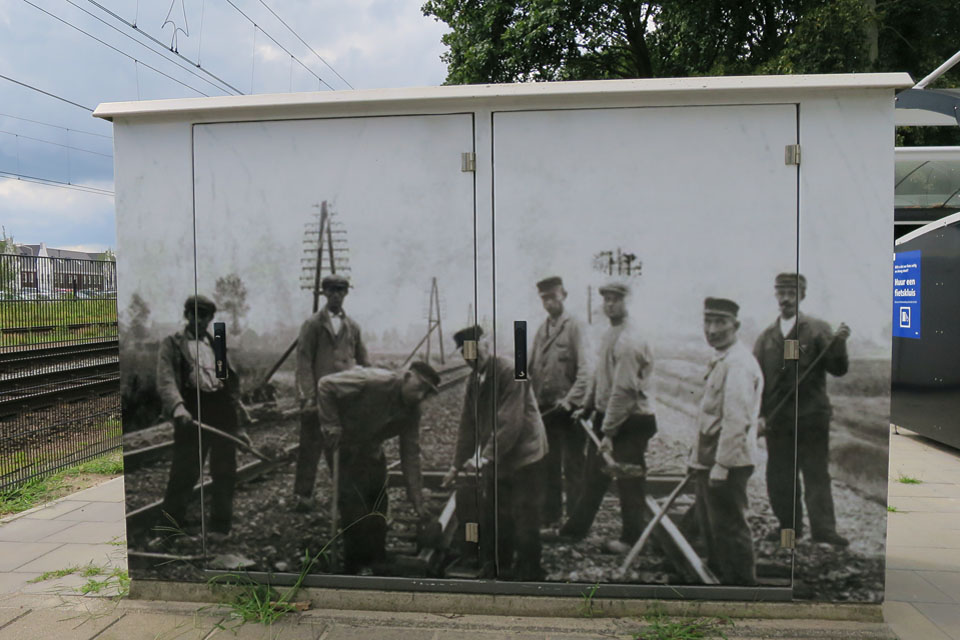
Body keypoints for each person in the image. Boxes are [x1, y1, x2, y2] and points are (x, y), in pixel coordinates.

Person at [556, 281, 657, 554]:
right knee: (594, 477)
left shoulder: (630, 340)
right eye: (607, 299)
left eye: (616, 299)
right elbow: (602, 378)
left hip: (631, 422)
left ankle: (632, 540)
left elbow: (623, 392)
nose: (610, 304)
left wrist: (609, 434)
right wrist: (587, 407)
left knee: (629, 482)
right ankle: (573, 531)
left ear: (628, 302)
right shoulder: (610, 333)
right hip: (611, 418)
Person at [443, 325, 548, 580]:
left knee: (525, 516)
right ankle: (501, 567)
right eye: (466, 353)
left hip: (524, 455)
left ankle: (531, 573)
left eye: (475, 349)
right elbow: (468, 426)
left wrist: (483, 457)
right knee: (499, 514)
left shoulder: (512, 371)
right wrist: (457, 465)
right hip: (500, 456)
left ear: (487, 345)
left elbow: (509, 422)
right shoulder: (473, 380)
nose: (471, 357)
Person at [753, 273, 851, 546]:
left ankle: (824, 533)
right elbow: (756, 381)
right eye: (781, 293)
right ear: (775, 296)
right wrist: (760, 415)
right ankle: (789, 532)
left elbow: (838, 369)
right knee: (781, 478)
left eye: (792, 293)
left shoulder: (818, 329)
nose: (785, 299)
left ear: (802, 296)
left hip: (811, 418)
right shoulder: (765, 339)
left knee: (816, 474)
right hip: (778, 421)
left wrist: (839, 343)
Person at [316, 361, 440, 574]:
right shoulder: (371, 380)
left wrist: (417, 500)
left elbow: (410, 454)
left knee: (378, 501)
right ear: (407, 376)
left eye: (426, 393)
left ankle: (376, 559)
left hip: (371, 449)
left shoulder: (412, 411)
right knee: (354, 506)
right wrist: (331, 425)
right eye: (419, 388)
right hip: (343, 446)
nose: (420, 396)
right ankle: (353, 567)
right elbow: (326, 385)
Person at [155, 294, 248, 542]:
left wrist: (237, 421)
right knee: (184, 473)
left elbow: (227, 384)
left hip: (219, 409)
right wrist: (178, 407)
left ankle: (220, 528)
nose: (199, 320)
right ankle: (170, 531)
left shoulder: (216, 343)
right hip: (191, 410)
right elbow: (166, 380)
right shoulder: (173, 344)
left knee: (225, 471)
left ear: (210, 319)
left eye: (204, 315)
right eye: (194, 314)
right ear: (187, 315)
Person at [688, 297, 762, 585]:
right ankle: (719, 580)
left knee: (730, 528)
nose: (712, 329)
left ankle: (743, 588)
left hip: (728, 461)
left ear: (736, 326)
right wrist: (697, 458)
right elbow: (710, 416)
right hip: (711, 456)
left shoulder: (739, 364)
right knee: (712, 527)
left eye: (720, 322)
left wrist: (722, 465)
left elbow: (736, 421)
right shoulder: (722, 359)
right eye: (708, 321)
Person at [293, 274, 370, 511]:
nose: (336, 295)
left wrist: (367, 388)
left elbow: (363, 361)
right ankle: (303, 496)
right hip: (317, 398)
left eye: (341, 290)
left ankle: (344, 493)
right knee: (310, 446)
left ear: (346, 294)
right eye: (332, 290)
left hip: (344, 398)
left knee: (343, 446)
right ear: (324, 293)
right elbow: (304, 361)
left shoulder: (353, 327)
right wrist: (307, 395)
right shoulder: (313, 324)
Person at [529, 276, 591, 526]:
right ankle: (551, 515)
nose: (549, 302)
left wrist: (570, 402)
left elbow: (587, 371)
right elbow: (527, 368)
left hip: (570, 410)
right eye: (544, 298)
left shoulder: (576, 326)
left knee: (574, 466)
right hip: (546, 411)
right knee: (548, 464)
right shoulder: (540, 330)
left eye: (553, 296)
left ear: (563, 295)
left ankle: (576, 520)